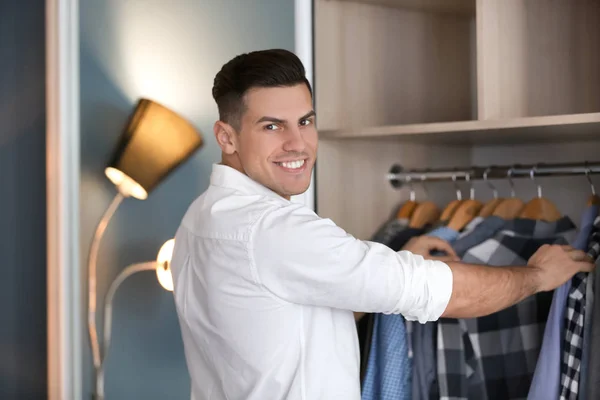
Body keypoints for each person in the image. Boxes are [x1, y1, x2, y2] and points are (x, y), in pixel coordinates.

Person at [169, 49, 594, 400]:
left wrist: (392, 264)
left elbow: (286, 314)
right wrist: (537, 276)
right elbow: (438, 293)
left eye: (306, 121)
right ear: (226, 137)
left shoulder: (200, 217)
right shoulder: (277, 230)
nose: (298, 143)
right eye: (272, 126)